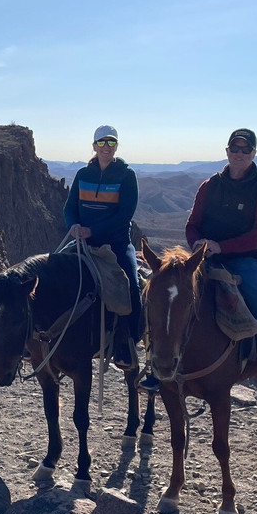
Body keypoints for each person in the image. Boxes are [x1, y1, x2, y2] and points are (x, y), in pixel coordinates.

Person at [184, 128, 257, 405]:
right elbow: (192, 224)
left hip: (246, 258)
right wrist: (197, 243)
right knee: (168, 291)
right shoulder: (209, 186)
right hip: (207, 255)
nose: (239, 154)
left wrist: (223, 247)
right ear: (227, 151)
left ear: (253, 153)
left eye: (246, 150)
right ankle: (157, 363)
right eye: (235, 148)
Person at [63, 124, 142, 369]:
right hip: (83, 242)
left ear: (116, 146)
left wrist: (93, 230)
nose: (106, 147)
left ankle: (127, 342)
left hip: (116, 243)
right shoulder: (82, 174)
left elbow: (124, 215)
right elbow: (70, 207)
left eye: (111, 142)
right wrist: (74, 225)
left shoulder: (126, 175)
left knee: (131, 285)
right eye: (102, 142)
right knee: (50, 273)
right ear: (94, 146)